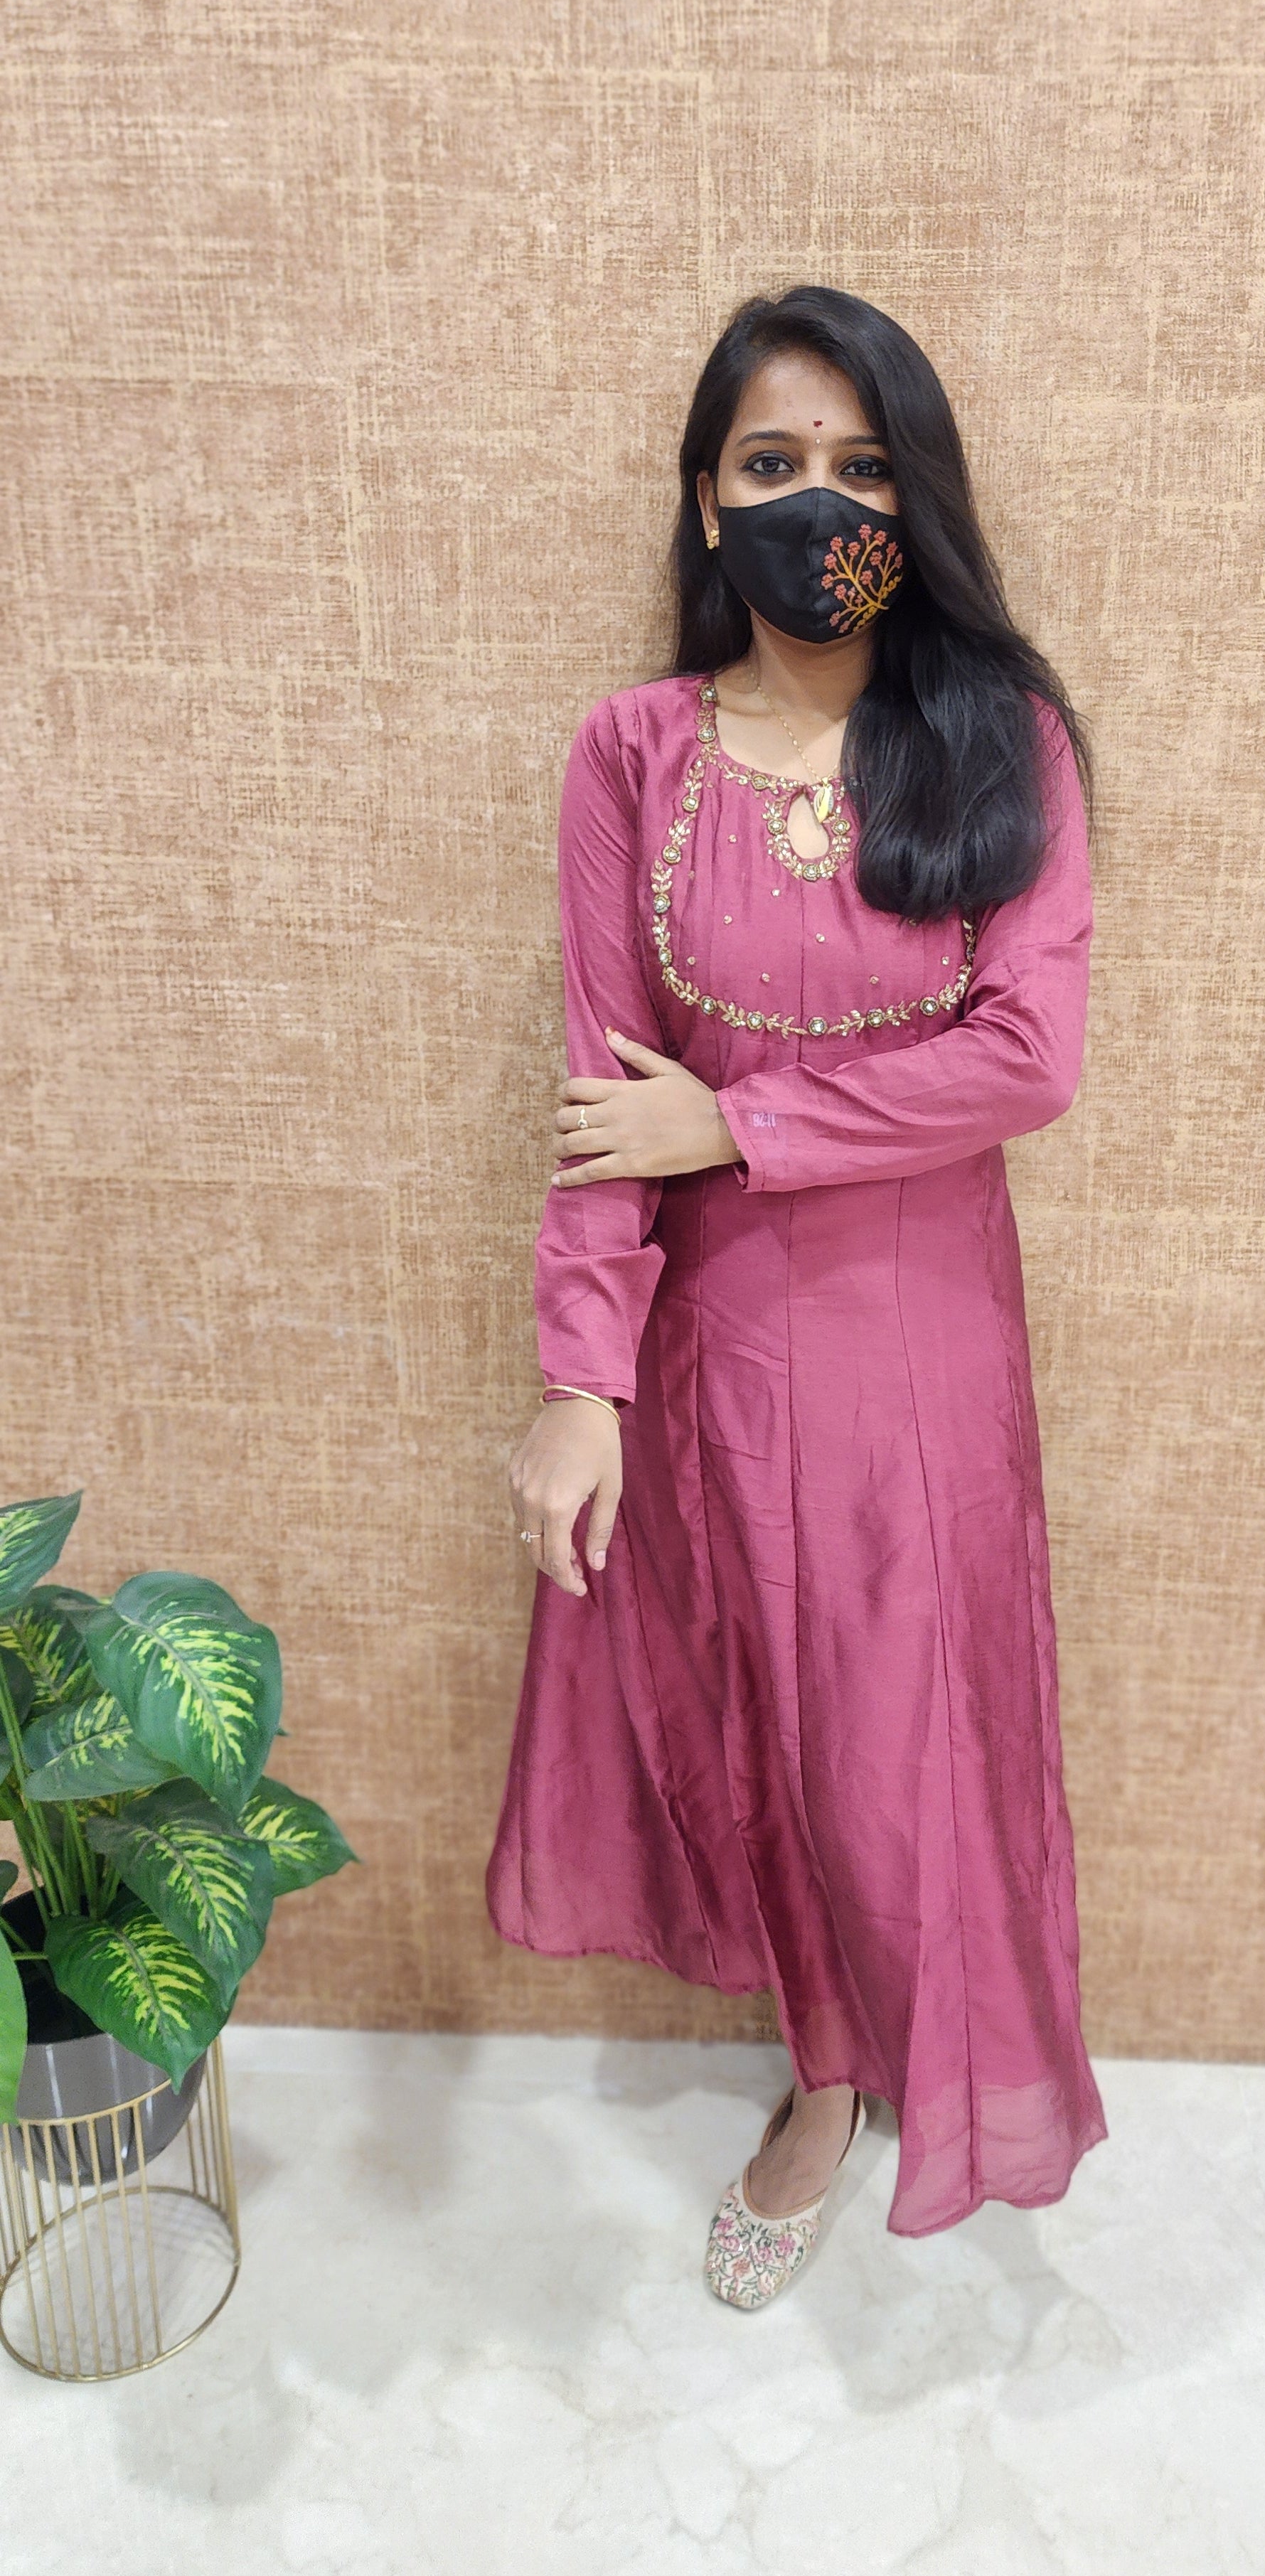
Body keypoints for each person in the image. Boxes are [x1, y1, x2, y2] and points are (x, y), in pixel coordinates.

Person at [487, 284, 1108, 2311]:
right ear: (704, 503)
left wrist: (736, 1126)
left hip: (923, 1334)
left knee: (900, 1717)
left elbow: (1025, 1058)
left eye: (860, 466)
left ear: (917, 500)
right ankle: (826, 2075)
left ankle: (937, 2037)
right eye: (771, 464)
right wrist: (583, 1378)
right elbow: (604, 1087)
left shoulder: (996, 741)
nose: (817, 503)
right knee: (754, 1712)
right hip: (714, 1338)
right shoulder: (634, 754)